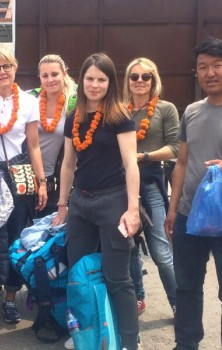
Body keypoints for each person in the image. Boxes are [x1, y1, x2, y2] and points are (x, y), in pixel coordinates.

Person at [53, 53, 140, 350]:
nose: (94, 84)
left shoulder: (119, 116)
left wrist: (131, 210)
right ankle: (84, 333)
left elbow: (131, 164)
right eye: (89, 78)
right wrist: (63, 205)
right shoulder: (73, 118)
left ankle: (129, 341)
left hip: (113, 203)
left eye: (101, 79)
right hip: (80, 203)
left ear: (110, 82)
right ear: (81, 81)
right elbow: (67, 164)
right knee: (78, 274)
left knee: (118, 278)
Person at [0, 48, 47, 324]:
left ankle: (10, 298)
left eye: (6, 66)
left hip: (17, 175)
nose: (2, 71)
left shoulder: (29, 101)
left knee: (16, 236)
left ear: (16, 68)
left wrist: (41, 182)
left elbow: (33, 145)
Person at [164, 37, 222, 350]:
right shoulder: (192, 113)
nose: (210, 72)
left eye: (217, 65)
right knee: (187, 287)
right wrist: (173, 210)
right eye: (203, 67)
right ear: (196, 72)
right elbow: (182, 163)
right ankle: (186, 344)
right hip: (189, 215)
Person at [123, 57, 179, 316]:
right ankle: (138, 298)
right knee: (129, 247)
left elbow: (175, 148)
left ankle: (179, 303)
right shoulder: (119, 110)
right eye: (134, 76)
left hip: (151, 184)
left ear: (153, 80)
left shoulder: (165, 109)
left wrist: (143, 157)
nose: (140, 81)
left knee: (160, 251)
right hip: (122, 186)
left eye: (146, 77)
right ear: (128, 80)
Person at [30, 54, 77, 217]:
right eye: (45, 76)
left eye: (55, 74)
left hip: (54, 179)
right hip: (26, 175)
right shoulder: (30, 98)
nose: (50, 80)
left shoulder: (74, 102)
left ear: (64, 74)